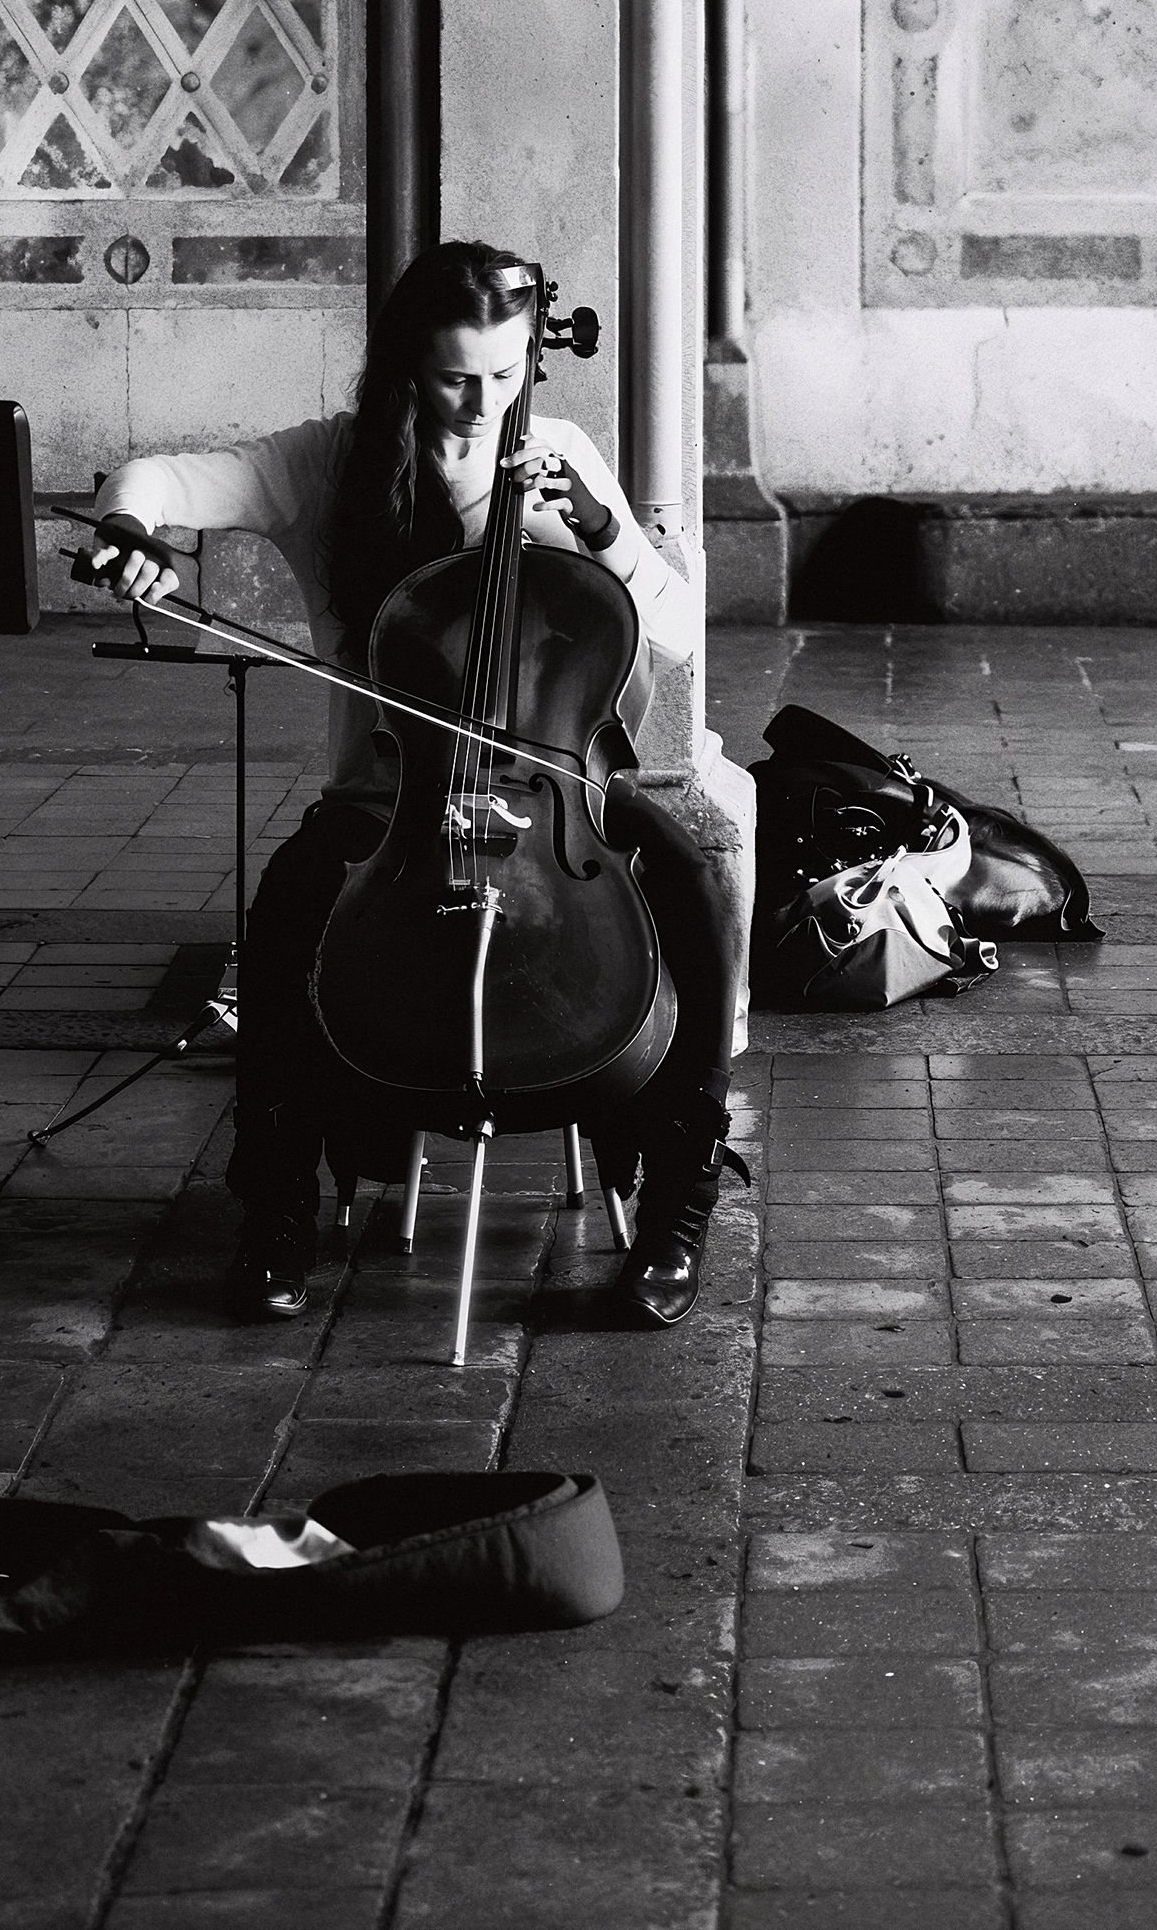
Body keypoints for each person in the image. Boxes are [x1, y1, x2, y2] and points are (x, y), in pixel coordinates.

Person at [80, 240, 745, 1328]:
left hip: (555, 794)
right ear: (401, 365)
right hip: (385, 803)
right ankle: (280, 1198)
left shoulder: (560, 455)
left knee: (692, 883)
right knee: (290, 910)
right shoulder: (330, 464)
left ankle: (682, 1191)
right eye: (452, 377)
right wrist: (127, 528)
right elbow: (163, 478)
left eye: (504, 373)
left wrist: (594, 527)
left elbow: (669, 637)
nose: (482, 403)